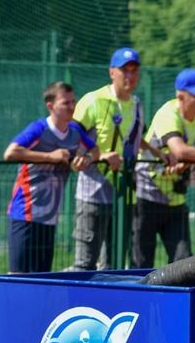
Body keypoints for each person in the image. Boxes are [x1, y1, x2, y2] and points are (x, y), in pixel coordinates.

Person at [71, 47, 166, 270]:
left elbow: (134, 136)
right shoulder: (93, 100)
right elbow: (72, 136)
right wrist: (101, 156)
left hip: (124, 193)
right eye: (125, 70)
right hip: (93, 191)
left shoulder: (137, 104)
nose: (130, 76)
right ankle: (79, 305)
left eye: (134, 70)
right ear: (112, 72)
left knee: (114, 264)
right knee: (85, 263)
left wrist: (158, 152)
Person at [133, 68, 195, 268]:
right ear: (180, 96)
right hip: (146, 196)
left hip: (177, 199)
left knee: (184, 263)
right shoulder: (168, 113)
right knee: (141, 264)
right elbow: (180, 150)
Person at [3, 81, 98, 274]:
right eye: (66, 103)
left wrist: (86, 158)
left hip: (50, 218)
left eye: (73, 102)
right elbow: (10, 153)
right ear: (50, 106)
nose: (72, 107)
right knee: (18, 277)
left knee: (42, 278)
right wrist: (50, 156)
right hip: (25, 214)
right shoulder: (39, 129)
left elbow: (95, 150)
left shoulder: (74, 132)